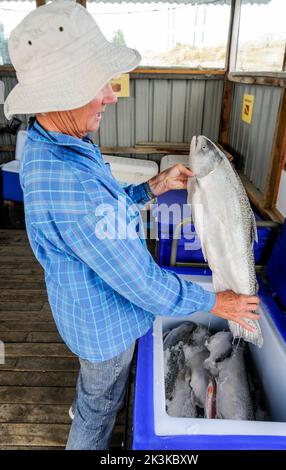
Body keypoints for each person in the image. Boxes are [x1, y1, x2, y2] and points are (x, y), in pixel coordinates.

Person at [4, 1, 260, 450]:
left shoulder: (56, 144)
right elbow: (142, 284)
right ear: (59, 95)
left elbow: (102, 214)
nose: (111, 96)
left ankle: (94, 400)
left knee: (98, 394)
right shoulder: (69, 181)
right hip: (105, 330)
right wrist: (219, 302)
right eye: (97, 85)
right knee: (98, 409)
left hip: (84, 315)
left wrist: (149, 188)